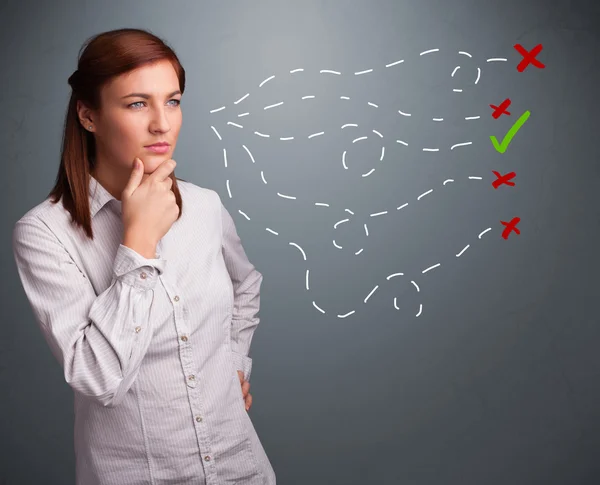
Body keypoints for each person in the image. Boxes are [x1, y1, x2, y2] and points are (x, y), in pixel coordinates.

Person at [11, 27, 276, 485]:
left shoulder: (205, 206)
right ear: (88, 115)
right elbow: (98, 377)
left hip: (240, 468)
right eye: (137, 103)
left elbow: (245, 285)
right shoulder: (44, 233)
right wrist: (137, 244)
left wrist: (234, 362)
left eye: (172, 101)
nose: (162, 123)